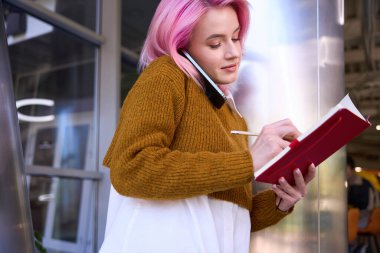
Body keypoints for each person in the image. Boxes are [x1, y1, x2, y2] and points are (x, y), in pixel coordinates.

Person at [100, 0, 316, 252]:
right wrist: (248, 162)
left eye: (236, 38)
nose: (233, 53)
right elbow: (131, 169)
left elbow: (228, 215)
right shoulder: (164, 77)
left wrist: (280, 202)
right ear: (181, 45)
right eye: (215, 43)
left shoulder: (232, 114)